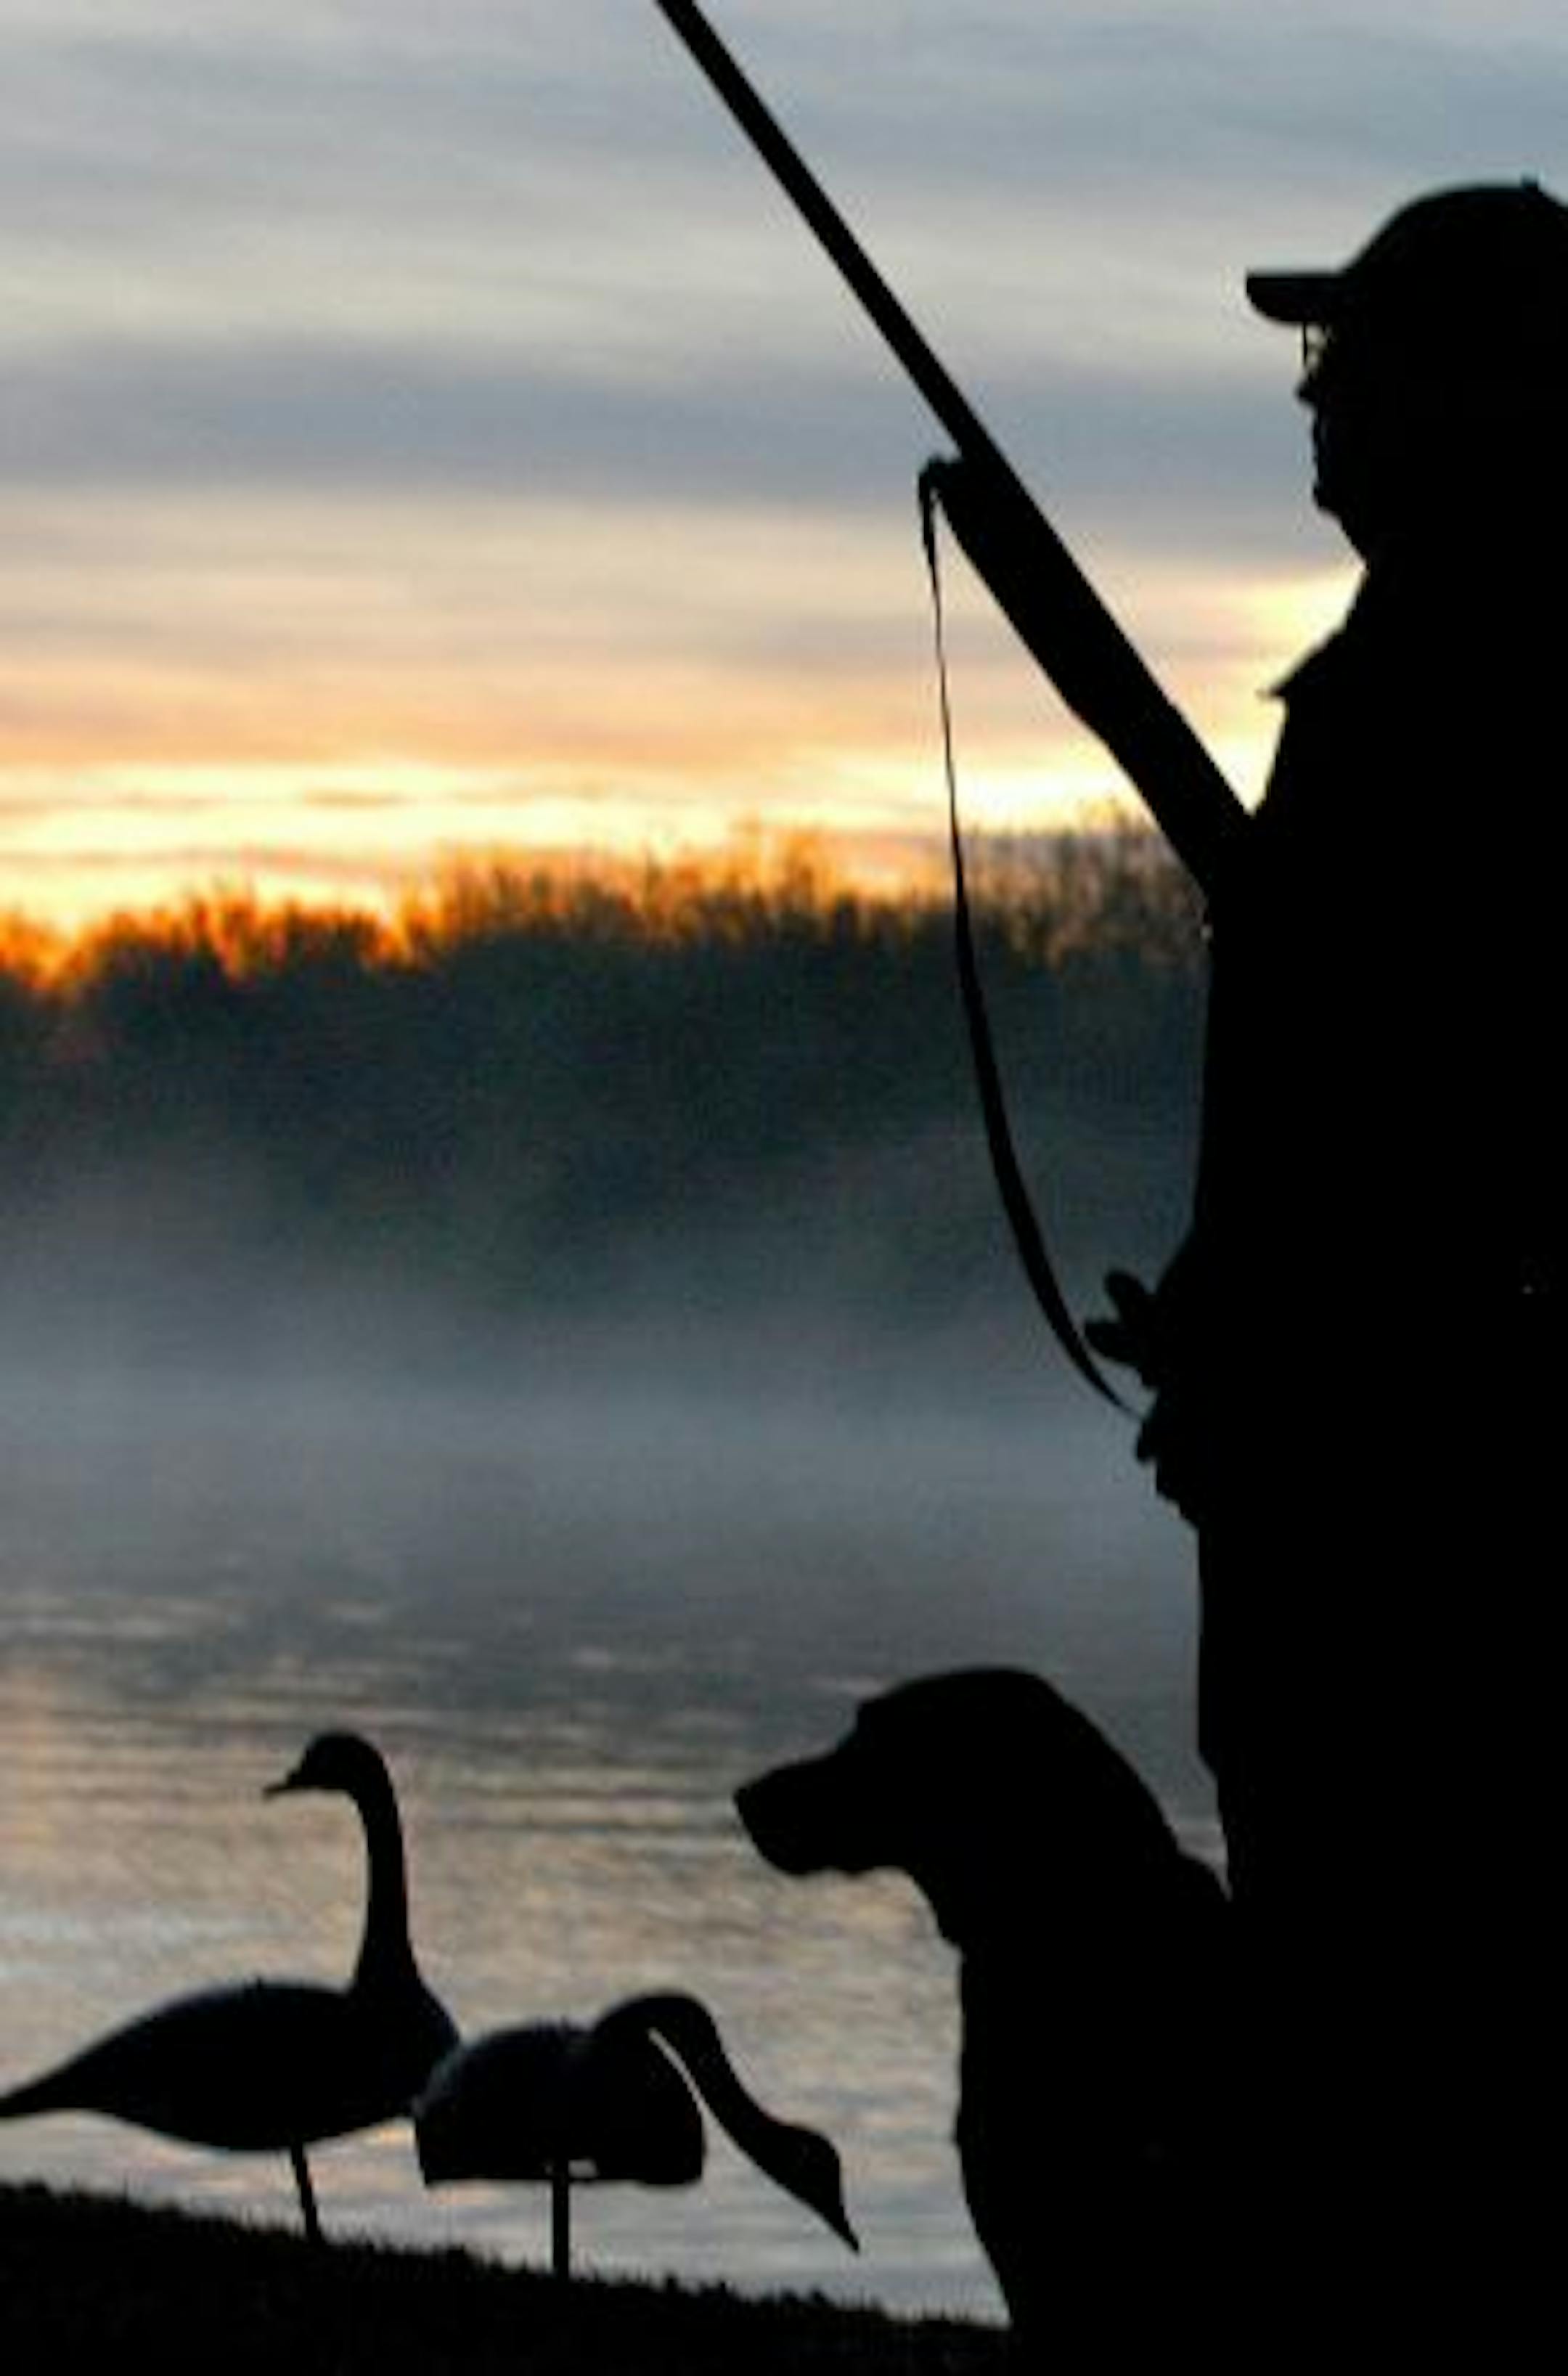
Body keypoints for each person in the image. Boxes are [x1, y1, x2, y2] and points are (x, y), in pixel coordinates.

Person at [1092, 181, 1568, 2348]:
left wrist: (1300, 1331)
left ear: (1481, 398)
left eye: (1356, 357)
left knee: (1383, 1982)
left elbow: (1442, 1122)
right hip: (1353, 1442)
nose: (1321, 396)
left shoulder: (1446, 703)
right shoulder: (1427, 682)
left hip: (1402, 1495)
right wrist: (1226, 1300)